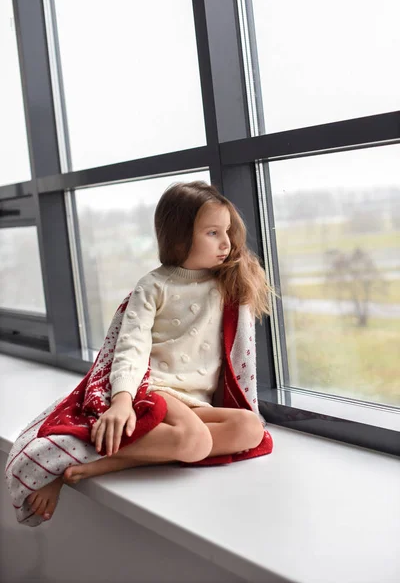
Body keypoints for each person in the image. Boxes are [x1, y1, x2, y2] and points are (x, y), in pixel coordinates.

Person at [25, 181, 273, 521]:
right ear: (179, 236)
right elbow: (131, 346)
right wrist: (122, 401)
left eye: (227, 231)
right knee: (197, 442)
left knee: (250, 428)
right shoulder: (155, 286)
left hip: (194, 402)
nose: (227, 243)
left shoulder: (223, 285)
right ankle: (77, 460)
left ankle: (127, 455)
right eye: (213, 233)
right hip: (155, 390)